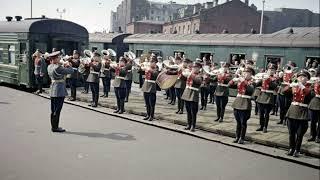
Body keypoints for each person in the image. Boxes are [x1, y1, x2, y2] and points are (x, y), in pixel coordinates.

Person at [285, 70, 313, 157]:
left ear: (307, 79)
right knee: (291, 133)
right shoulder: (294, 87)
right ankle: (291, 148)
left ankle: (297, 150)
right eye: (299, 77)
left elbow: (310, 95)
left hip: (302, 113)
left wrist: (301, 86)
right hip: (292, 111)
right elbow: (283, 92)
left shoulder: (310, 87)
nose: (301, 78)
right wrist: (290, 85)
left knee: (300, 134)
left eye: (304, 77)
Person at [47, 51, 74, 132]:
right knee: (57, 110)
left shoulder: (50, 66)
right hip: (59, 90)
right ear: (55, 59)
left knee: (53, 110)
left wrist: (62, 64)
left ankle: (53, 126)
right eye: (58, 58)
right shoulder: (58, 68)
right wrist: (68, 65)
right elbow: (71, 71)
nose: (60, 59)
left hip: (53, 89)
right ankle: (55, 127)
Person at [229, 67, 255, 144]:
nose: (244, 74)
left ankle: (242, 138)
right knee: (238, 122)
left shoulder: (252, 82)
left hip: (245, 103)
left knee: (243, 122)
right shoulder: (240, 81)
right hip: (237, 102)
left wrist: (244, 81)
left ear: (251, 74)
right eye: (244, 72)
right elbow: (229, 86)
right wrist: (233, 80)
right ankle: (237, 136)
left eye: (247, 73)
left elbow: (250, 90)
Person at [255, 64, 279, 133]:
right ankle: (261, 126)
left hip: (269, 96)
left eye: (272, 70)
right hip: (261, 95)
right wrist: (260, 79)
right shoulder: (264, 77)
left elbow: (275, 87)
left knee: (266, 113)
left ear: (274, 71)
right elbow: (257, 85)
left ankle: (265, 126)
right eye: (269, 69)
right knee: (261, 113)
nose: (271, 71)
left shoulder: (275, 78)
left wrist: (268, 80)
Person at [181, 61, 203, 132]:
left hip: (194, 94)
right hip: (187, 93)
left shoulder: (199, 75)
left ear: (199, 68)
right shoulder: (190, 74)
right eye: (193, 67)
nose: (193, 68)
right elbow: (182, 78)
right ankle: (189, 124)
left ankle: (193, 125)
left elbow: (198, 81)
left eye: (195, 67)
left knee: (193, 111)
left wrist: (191, 74)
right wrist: (181, 72)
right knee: (188, 110)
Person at [141, 56, 160, 121]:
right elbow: (140, 72)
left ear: (155, 62)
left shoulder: (156, 68)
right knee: (147, 102)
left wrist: (150, 70)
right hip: (146, 85)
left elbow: (156, 74)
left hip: (152, 86)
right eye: (150, 61)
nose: (151, 63)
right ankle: (148, 114)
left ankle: (151, 116)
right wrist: (141, 67)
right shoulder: (147, 67)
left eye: (152, 62)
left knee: (152, 102)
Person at [308, 70, 320, 143]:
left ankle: (318, 136)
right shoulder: (314, 83)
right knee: (313, 121)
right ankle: (313, 135)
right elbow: (310, 93)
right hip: (314, 103)